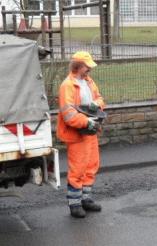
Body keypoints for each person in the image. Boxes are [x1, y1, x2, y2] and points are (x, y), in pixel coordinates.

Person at [57, 51, 106, 218]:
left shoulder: (88, 81)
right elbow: (69, 114)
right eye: (87, 66)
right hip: (77, 134)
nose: (89, 70)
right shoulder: (67, 85)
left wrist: (95, 104)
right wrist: (87, 122)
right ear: (78, 66)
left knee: (91, 166)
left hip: (90, 131)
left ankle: (86, 199)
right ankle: (75, 204)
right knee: (77, 169)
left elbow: (100, 98)